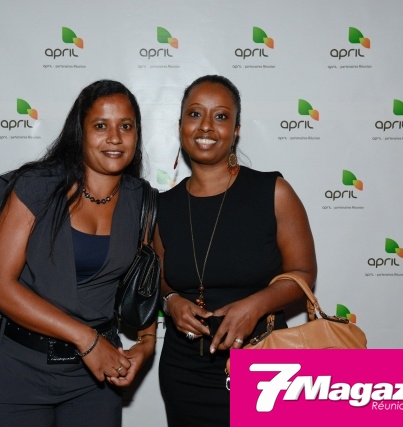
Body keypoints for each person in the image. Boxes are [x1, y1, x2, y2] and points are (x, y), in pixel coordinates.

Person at [0, 80, 157, 427]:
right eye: (100, 126)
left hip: (95, 382)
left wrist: (146, 344)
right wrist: (86, 339)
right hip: (16, 371)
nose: (115, 138)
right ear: (79, 132)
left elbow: (145, 283)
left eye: (126, 126)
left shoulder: (142, 199)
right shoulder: (36, 186)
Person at [155, 75, 317, 426]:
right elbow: (162, 279)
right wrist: (171, 301)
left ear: (236, 130)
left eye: (221, 116)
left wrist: (254, 306)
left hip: (265, 364)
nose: (206, 126)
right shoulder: (163, 207)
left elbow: (304, 273)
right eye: (195, 114)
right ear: (181, 125)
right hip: (184, 372)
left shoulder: (272, 192)